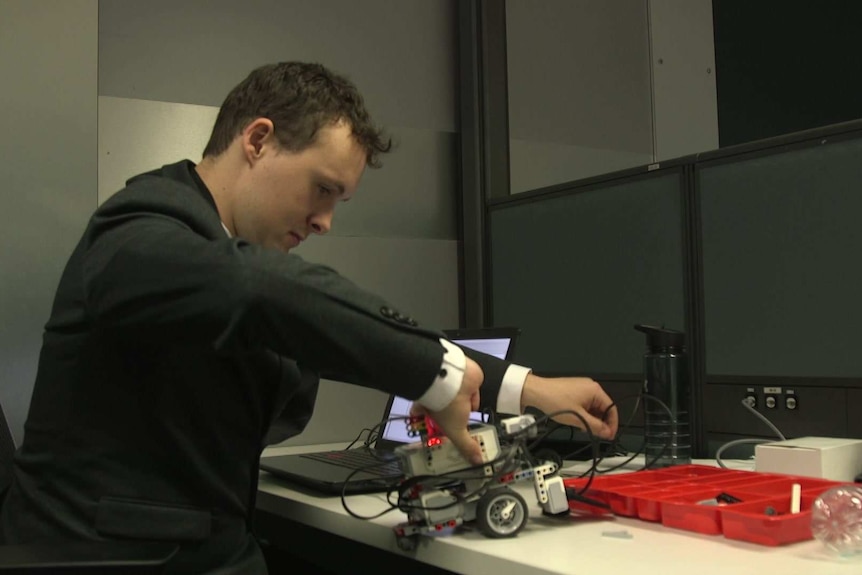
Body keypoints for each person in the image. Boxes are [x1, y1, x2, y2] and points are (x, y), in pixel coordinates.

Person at [0, 62, 618, 574]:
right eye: (322, 190)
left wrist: (526, 388)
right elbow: (266, 295)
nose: (325, 222)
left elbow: (323, 325)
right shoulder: (140, 229)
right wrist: (432, 373)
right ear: (259, 139)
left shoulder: (230, 262)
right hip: (116, 557)